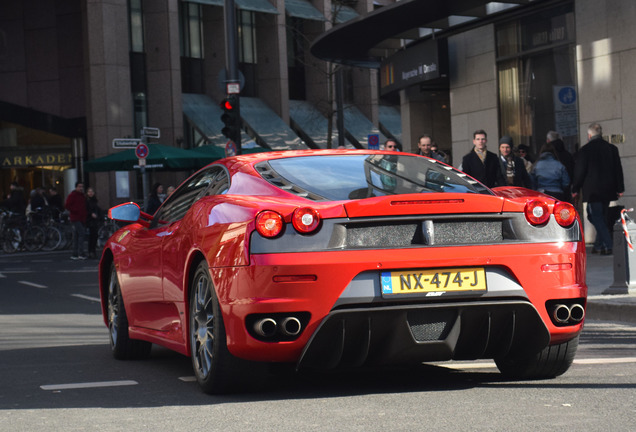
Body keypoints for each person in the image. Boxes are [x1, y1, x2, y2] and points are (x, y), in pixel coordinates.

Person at [572, 122, 625, 255]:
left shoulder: (584, 151)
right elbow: (618, 169)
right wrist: (620, 187)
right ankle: (598, 245)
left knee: (595, 217)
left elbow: (580, 172)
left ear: (589, 135)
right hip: (608, 190)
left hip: (593, 191)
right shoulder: (612, 148)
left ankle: (608, 245)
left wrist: (575, 188)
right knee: (601, 217)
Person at [65, 181, 88, 260]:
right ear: (76, 187)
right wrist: (75, 210)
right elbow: (67, 205)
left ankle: (75, 253)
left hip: (80, 217)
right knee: (81, 234)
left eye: (82, 187)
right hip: (75, 218)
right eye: (79, 186)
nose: (81, 188)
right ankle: (80, 253)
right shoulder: (73, 195)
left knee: (76, 235)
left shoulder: (82, 196)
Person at [86, 187, 103, 259]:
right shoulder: (87, 201)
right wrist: (91, 214)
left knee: (94, 236)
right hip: (90, 220)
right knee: (92, 236)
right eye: (89, 192)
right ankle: (91, 251)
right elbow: (86, 209)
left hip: (95, 220)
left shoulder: (94, 200)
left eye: (91, 191)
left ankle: (93, 251)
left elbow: (98, 209)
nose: (90, 193)